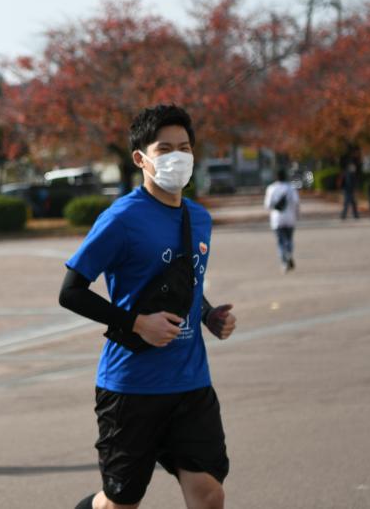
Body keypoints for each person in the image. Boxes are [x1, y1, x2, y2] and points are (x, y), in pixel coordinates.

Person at [59, 105, 237, 509]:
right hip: (131, 388)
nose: (178, 157)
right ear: (141, 158)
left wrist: (208, 315)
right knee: (122, 503)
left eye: (185, 148)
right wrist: (137, 323)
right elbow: (71, 291)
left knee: (209, 495)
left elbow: (182, 283)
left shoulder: (199, 218)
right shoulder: (121, 218)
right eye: (165, 149)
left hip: (191, 383)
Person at [263, 168, 300, 273]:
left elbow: (267, 205)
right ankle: (289, 253)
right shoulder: (291, 188)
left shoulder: (271, 188)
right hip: (290, 218)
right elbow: (296, 203)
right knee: (289, 239)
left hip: (277, 219)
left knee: (280, 241)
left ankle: (284, 261)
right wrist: (297, 215)